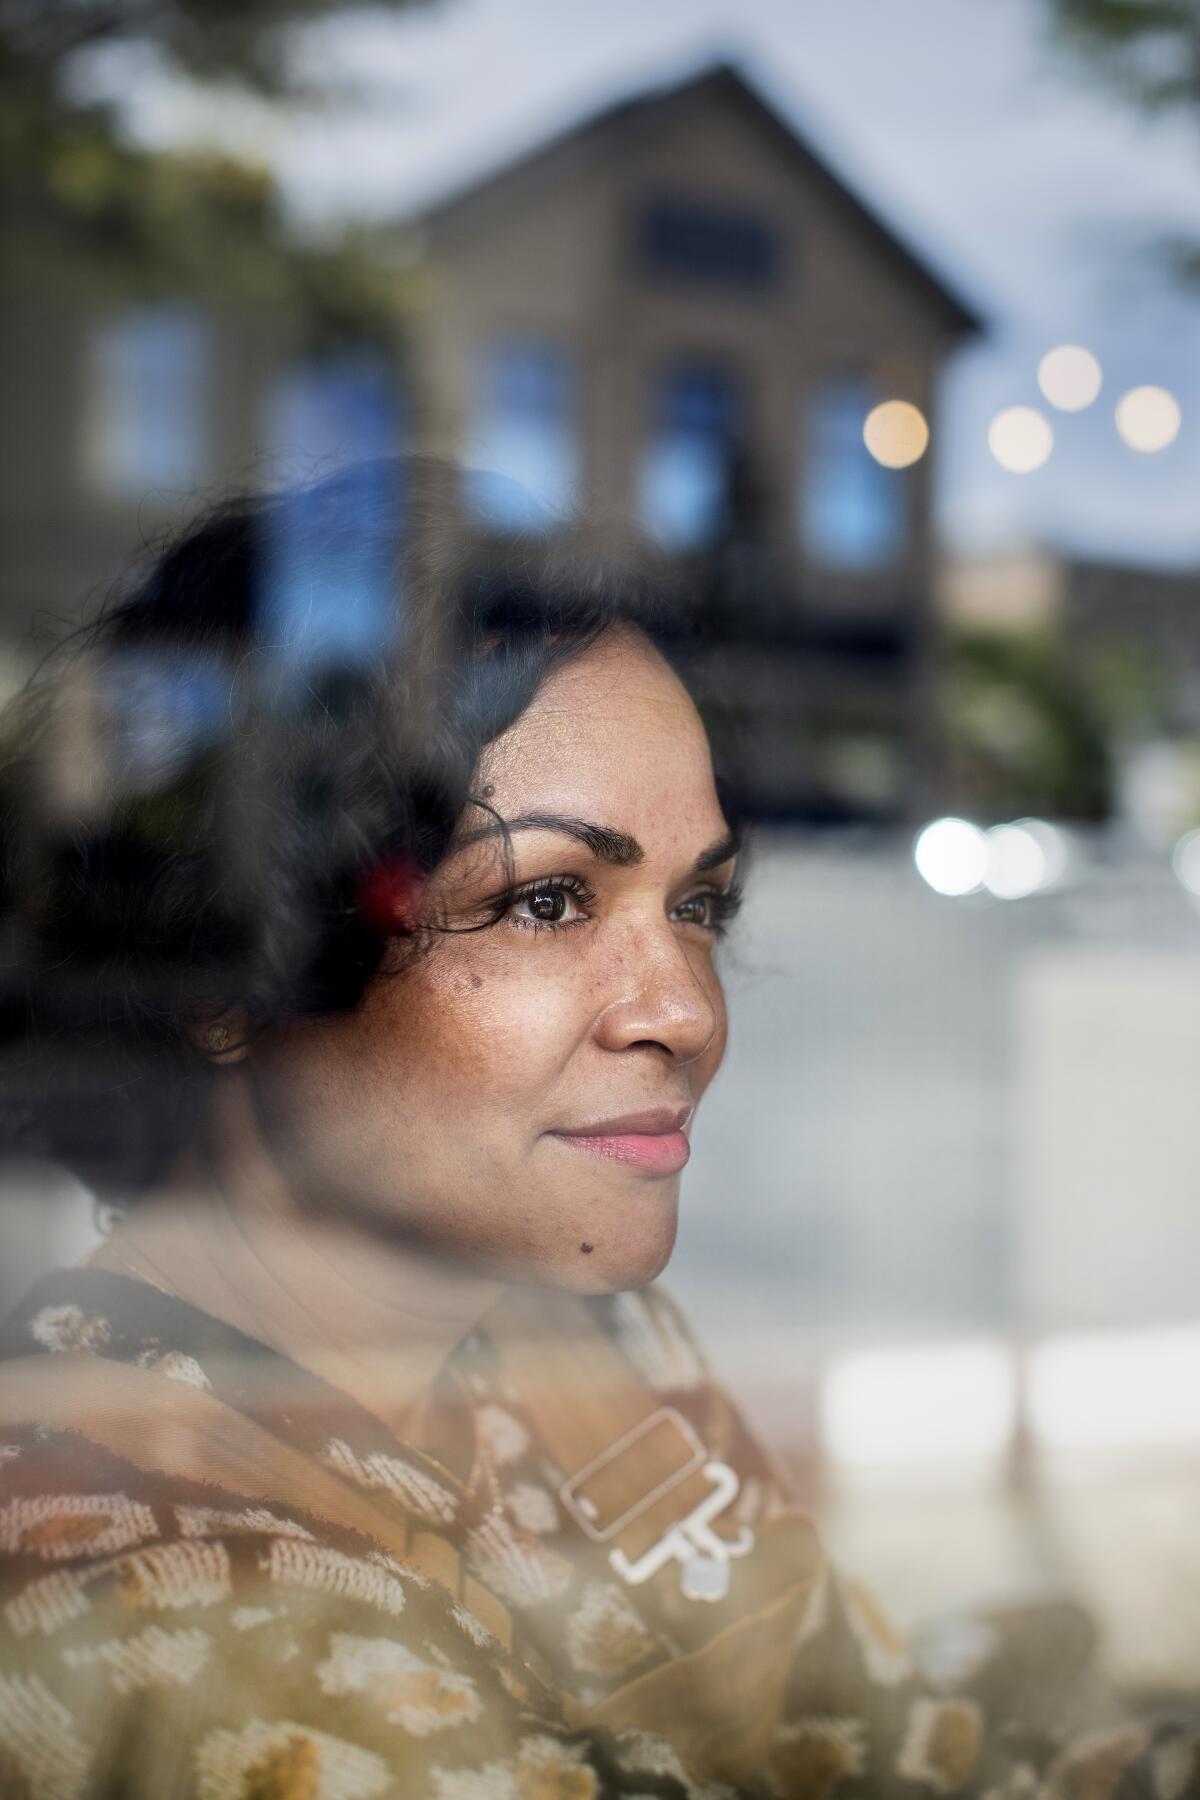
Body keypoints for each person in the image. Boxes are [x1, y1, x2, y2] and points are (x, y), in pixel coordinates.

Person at [0, 462, 1187, 1798]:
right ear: (221, 970)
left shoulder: (574, 1341)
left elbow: (880, 1747)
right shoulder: (144, 1594)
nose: (685, 1010)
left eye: (699, 906)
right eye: (549, 902)